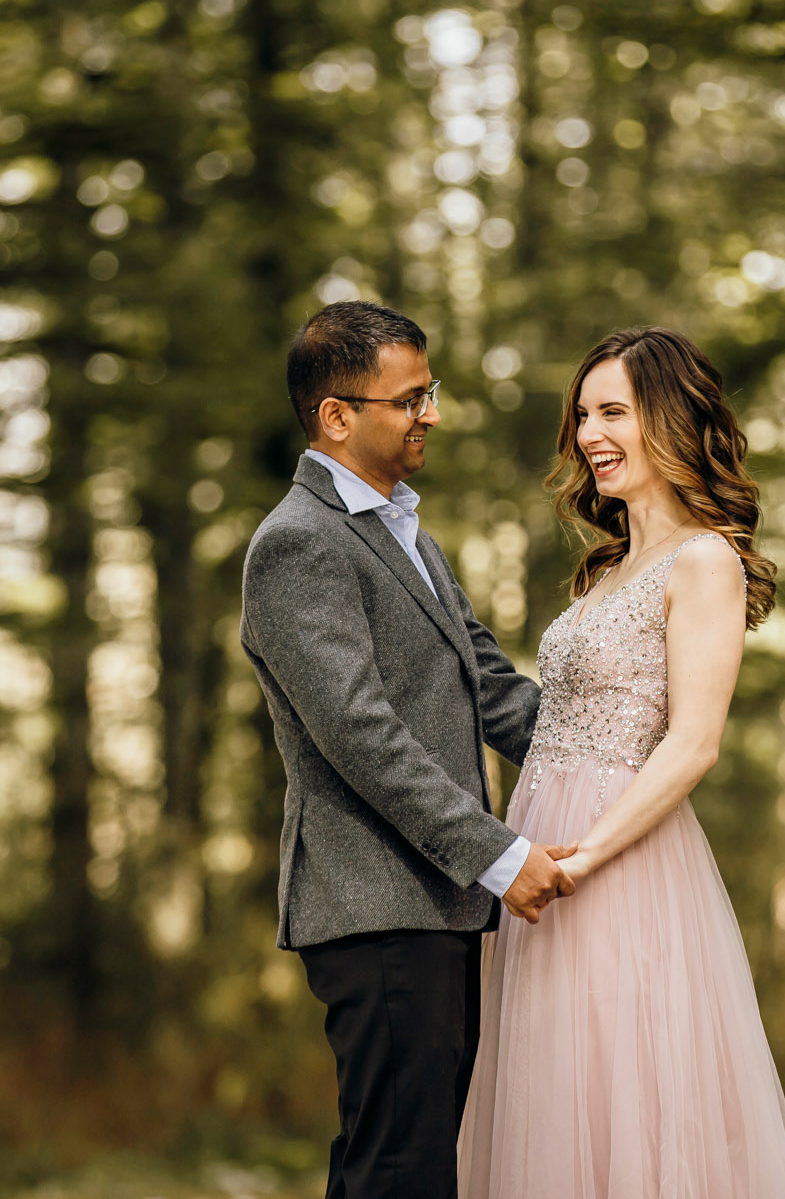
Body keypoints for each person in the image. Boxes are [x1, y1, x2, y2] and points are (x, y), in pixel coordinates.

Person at [458, 326, 785, 1197]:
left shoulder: (704, 561)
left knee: (626, 1090)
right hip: (538, 850)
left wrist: (582, 859)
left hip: (618, 866)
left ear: (671, 421)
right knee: (549, 1092)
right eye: (583, 415)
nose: (588, 434)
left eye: (612, 411)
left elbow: (694, 742)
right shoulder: (605, 570)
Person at [237, 300, 578, 1199]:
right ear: (336, 416)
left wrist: (615, 755)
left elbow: (489, 687)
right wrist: (500, 856)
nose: (431, 413)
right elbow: (361, 734)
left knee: (426, 1161)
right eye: (410, 398)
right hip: (375, 900)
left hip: (435, 899)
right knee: (398, 1167)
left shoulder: (404, 531)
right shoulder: (296, 545)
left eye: (431, 393)